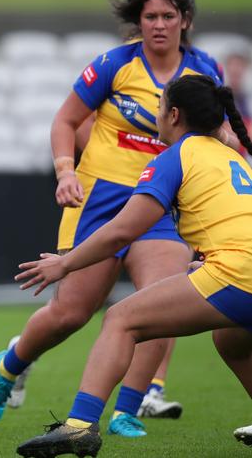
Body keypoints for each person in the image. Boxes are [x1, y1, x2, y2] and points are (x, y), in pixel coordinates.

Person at [0, 0, 230, 438]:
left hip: (161, 204)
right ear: (138, 20)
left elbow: (220, 133)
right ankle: (12, 364)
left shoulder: (203, 71)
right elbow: (65, 120)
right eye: (149, 16)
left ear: (185, 20)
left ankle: (126, 410)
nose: (158, 25)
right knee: (70, 314)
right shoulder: (114, 64)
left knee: (162, 300)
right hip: (100, 199)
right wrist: (64, 171)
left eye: (167, 16)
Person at [13, 73, 252, 457]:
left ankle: (78, 427)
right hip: (240, 272)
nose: (155, 114)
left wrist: (66, 264)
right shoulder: (232, 157)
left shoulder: (174, 157)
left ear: (173, 114)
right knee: (233, 340)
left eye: (159, 107)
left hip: (238, 274)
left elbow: (122, 231)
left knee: (121, 319)